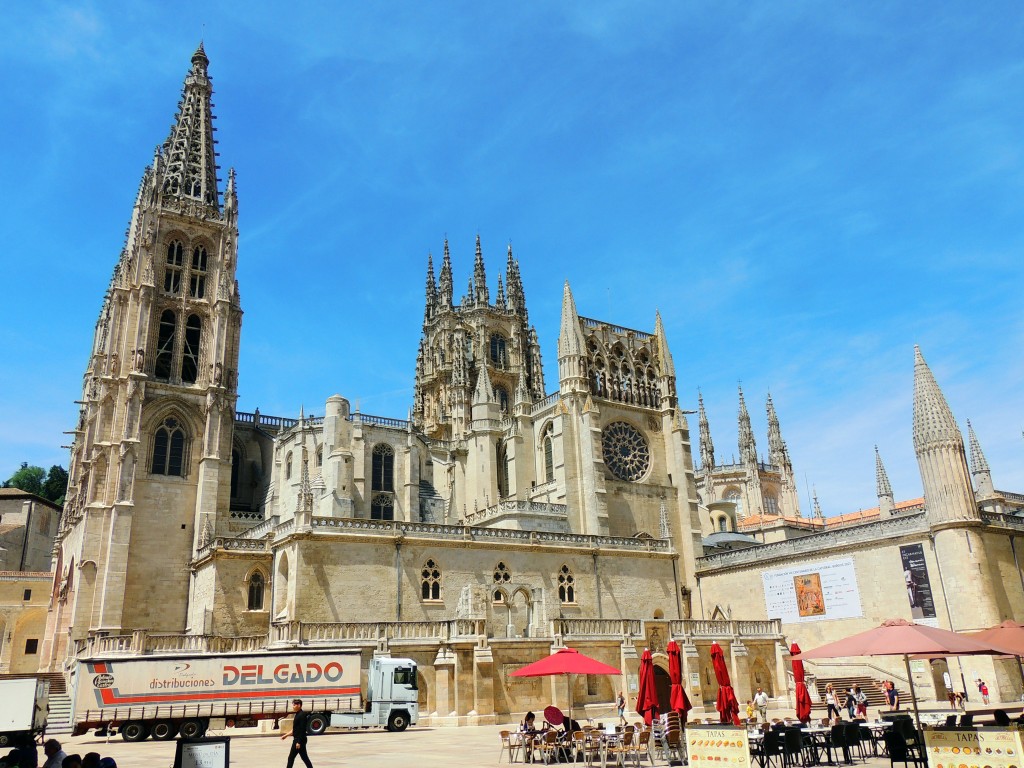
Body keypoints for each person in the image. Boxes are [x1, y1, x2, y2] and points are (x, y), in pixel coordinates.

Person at [280, 699, 314, 768]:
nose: (293, 706)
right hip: (299, 739)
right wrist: (286, 735)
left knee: (291, 758)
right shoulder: (298, 714)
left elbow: (302, 729)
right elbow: (295, 729)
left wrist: (299, 742)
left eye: (294, 705)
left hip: (299, 740)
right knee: (304, 757)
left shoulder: (302, 715)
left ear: (299, 705)